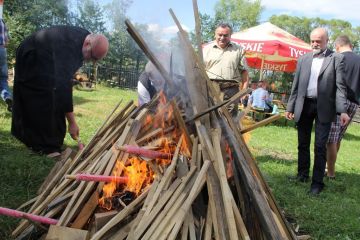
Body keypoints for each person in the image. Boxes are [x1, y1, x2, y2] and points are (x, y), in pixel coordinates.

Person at [11, 26, 109, 156]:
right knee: (43, 96)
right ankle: (45, 147)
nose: (91, 61)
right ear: (87, 43)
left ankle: (51, 143)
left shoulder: (84, 41)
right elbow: (63, 88)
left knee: (54, 96)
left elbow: (63, 81)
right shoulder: (69, 48)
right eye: (92, 57)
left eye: (95, 60)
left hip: (45, 56)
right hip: (32, 53)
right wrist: (72, 123)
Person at [285, 27, 350, 195]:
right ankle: (302, 175)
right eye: (312, 40)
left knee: (320, 146)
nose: (315, 44)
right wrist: (291, 106)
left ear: (327, 41)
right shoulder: (303, 59)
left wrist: (342, 110)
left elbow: (341, 87)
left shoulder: (336, 58)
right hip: (304, 105)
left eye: (318, 41)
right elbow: (296, 85)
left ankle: (317, 183)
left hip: (324, 108)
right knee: (303, 144)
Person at [326, 35, 360, 179]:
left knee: (330, 140)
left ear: (338, 47)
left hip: (338, 102)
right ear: (350, 45)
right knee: (338, 137)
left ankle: (330, 172)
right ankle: (329, 167)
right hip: (353, 104)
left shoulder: (338, 57)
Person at [203, 23, 249, 117]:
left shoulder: (239, 50)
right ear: (215, 34)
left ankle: (229, 132)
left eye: (225, 35)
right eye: (220, 35)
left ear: (230, 36)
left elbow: (245, 72)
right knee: (210, 117)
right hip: (210, 90)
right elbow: (199, 71)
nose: (222, 38)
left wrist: (244, 91)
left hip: (231, 90)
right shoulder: (206, 50)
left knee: (230, 118)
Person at [0, 18, 12, 112]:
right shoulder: (2, 21)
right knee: (3, 78)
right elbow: (7, 40)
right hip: (2, 51)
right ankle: (7, 96)